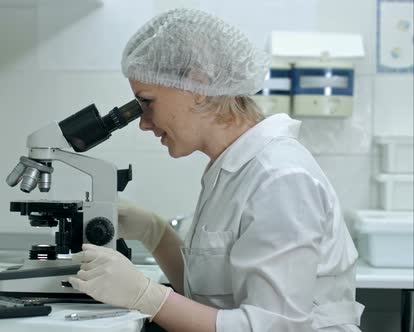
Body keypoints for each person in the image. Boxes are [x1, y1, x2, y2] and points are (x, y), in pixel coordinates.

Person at [68, 8, 364, 332]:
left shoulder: (280, 178)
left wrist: (147, 296)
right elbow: (212, 298)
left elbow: (274, 327)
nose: (143, 123)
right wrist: (156, 232)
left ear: (197, 84)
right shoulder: (231, 168)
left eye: (147, 102)